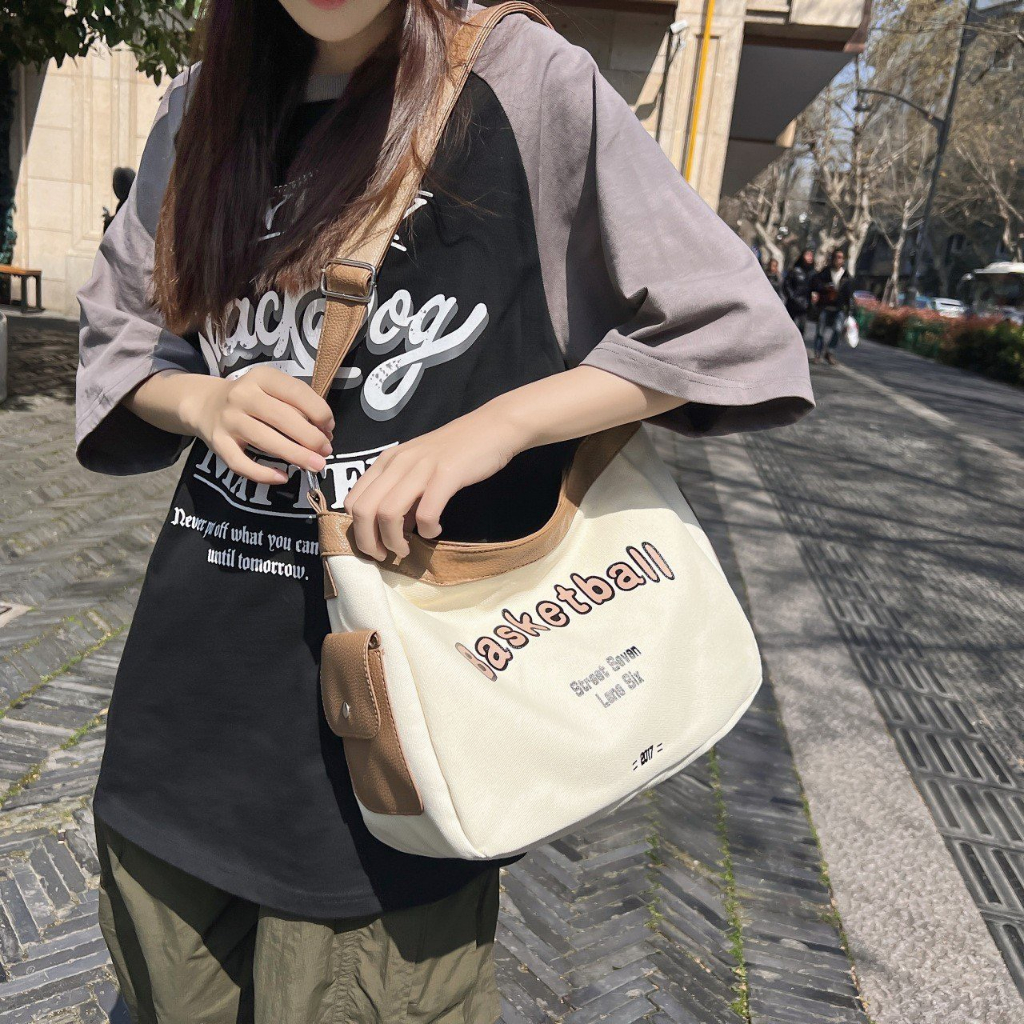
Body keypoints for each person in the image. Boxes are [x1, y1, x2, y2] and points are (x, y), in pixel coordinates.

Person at [75, 1, 814, 1020]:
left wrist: (501, 425)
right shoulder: (202, 105)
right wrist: (202, 400)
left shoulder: (523, 79)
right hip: (185, 710)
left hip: (402, 745)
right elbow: (118, 332)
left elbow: (726, 326)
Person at [810, 248, 854, 364]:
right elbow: (815, 284)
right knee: (820, 331)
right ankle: (817, 354)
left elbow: (849, 295)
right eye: (836, 257)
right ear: (832, 259)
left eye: (840, 258)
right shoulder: (824, 273)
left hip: (839, 309)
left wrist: (850, 311)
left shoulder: (846, 276)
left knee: (837, 331)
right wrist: (824, 288)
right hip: (825, 307)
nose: (838, 260)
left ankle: (829, 352)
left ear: (843, 260)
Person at [783, 247, 815, 338]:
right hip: (793, 303)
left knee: (801, 329)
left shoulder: (813, 273)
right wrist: (792, 297)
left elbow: (815, 287)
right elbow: (786, 285)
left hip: (805, 305)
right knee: (789, 328)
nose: (809, 257)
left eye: (811, 255)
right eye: (807, 255)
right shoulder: (794, 271)